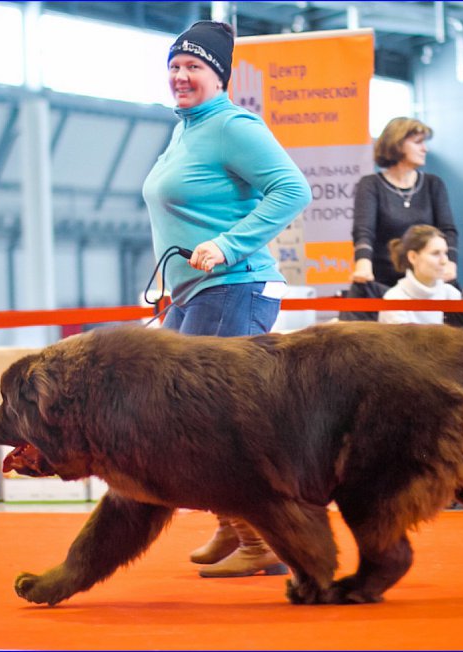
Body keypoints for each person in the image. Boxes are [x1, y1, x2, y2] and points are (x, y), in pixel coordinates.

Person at [142, 21, 312, 578]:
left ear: (219, 76)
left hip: (237, 286)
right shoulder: (186, 128)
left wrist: (228, 243)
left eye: (193, 67)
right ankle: (230, 523)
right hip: (194, 292)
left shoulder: (232, 125)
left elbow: (293, 189)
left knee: (203, 422)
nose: (180, 76)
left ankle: (262, 540)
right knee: (173, 415)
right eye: (174, 67)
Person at [351, 117, 459, 289]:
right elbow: (363, 231)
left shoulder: (433, 184)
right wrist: (363, 264)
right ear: (397, 145)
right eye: (418, 143)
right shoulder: (370, 184)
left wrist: (450, 263)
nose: (425, 149)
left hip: (427, 281)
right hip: (383, 281)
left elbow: (447, 230)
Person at [378, 225, 460, 324]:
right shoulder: (393, 300)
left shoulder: (452, 295)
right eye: (435, 253)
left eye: (445, 253)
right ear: (413, 257)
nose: (444, 261)